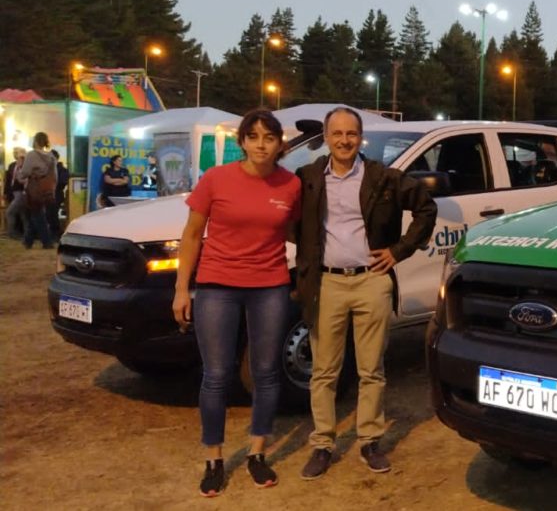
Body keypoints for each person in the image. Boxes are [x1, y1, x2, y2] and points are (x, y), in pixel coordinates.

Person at [294, 107, 437, 480]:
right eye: (337, 133)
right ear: (326, 137)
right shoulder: (308, 178)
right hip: (327, 283)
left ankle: (369, 440)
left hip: (371, 281)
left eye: (351, 134)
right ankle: (323, 444)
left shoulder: (384, 178)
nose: (344, 140)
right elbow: (288, 220)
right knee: (324, 371)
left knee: (371, 369)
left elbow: (426, 207)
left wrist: (399, 250)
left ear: (361, 138)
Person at [171, 109, 301, 497]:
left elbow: (300, 230)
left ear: (279, 144)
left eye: (269, 137)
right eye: (254, 136)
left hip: (270, 286)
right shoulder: (216, 179)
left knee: (265, 372)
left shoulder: (291, 185)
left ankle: (257, 453)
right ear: (242, 141)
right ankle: (213, 458)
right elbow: (192, 235)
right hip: (217, 286)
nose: (261, 144)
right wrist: (182, 289)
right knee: (216, 374)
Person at [16, 133, 56, 249]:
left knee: (37, 214)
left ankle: (47, 242)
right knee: (37, 213)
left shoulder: (32, 155)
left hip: (35, 187)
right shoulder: (51, 156)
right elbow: (55, 176)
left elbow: (25, 172)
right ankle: (27, 241)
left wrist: (19, 175)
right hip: (47, 188)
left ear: (36, 141)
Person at [4, 147, 27, 239]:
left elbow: (24, 180)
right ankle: (26, 234)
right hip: (12, 193)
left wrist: (21, 167)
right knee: (23, 214)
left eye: (16, 152)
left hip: (21, 193)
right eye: (14, 152)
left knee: (10, 212)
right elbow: (8, 180)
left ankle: (12, 233)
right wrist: (5, 192)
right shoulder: (12, 165)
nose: (14, 154)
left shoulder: (25, 166)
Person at [48, 150, 69, 235]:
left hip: (57, 194)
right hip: (47, 194)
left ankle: (56, 233)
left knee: (52, 214)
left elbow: (63, 182)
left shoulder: (62, 169)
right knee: (48, 214)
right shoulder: (47, 169)